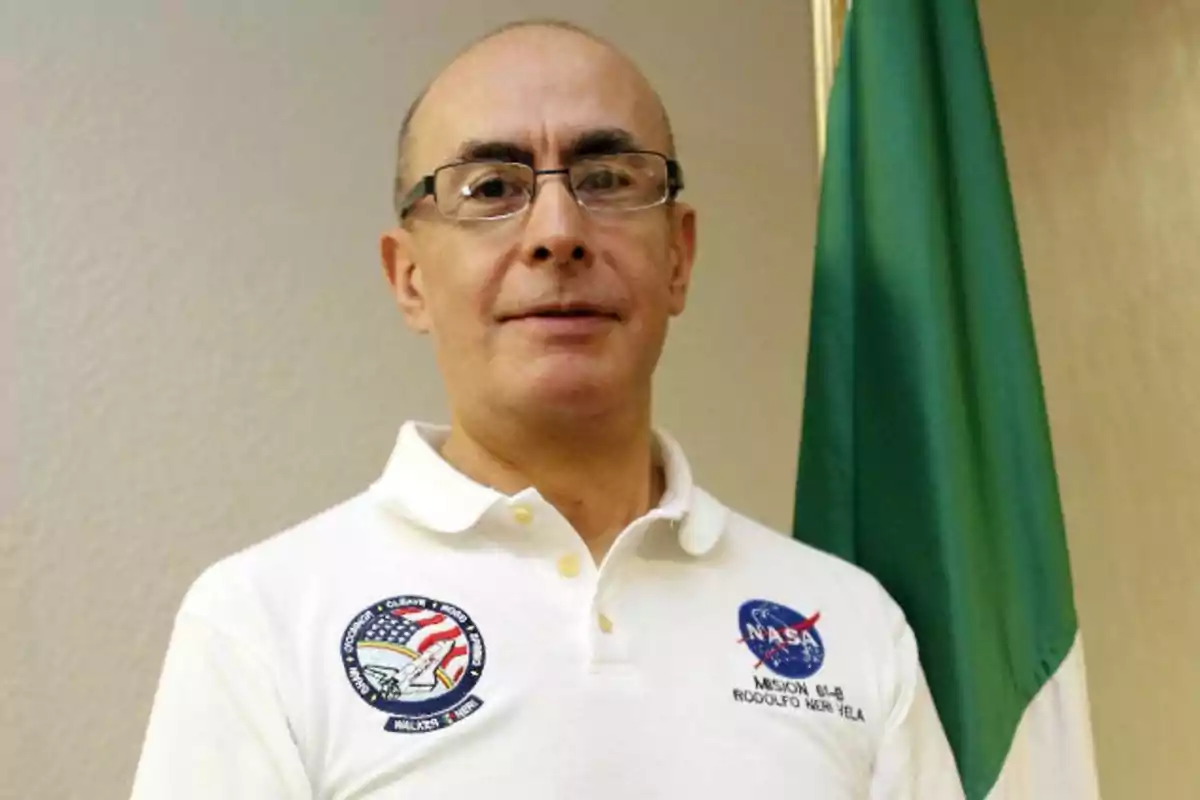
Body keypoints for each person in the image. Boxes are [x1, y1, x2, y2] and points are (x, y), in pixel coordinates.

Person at [130, 19, 963, 800]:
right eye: (492, 186)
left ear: (679, 259)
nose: (557, 231)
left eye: (605, 178)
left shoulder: (850, 625)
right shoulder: (263, 622)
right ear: (408, 278)